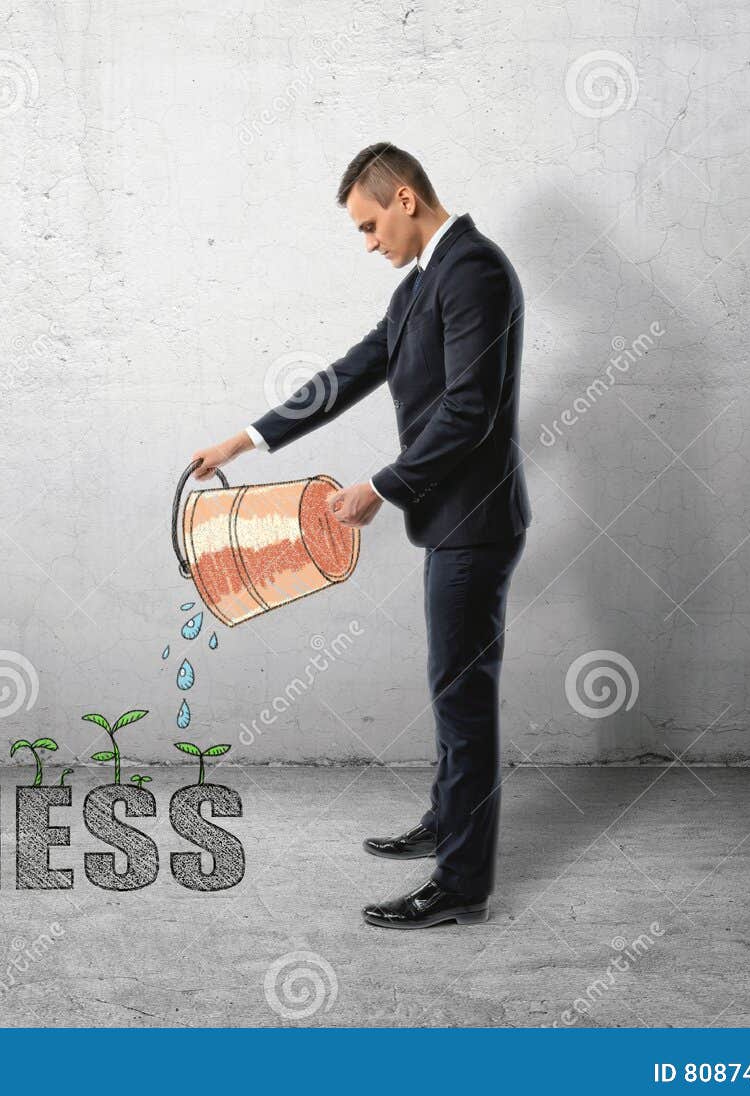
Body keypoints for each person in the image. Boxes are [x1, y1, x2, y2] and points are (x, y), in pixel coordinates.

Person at [188, 142, 531, 929]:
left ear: (405, 198)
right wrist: (246, 439)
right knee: (450, 682)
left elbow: (468, 413)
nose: (370, 243)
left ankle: (462, 883)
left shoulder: (473, 269)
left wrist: (380, 488)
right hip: (451, 520)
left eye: (371, 225)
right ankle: (449, 821)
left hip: (476, 522)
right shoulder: (421, 283)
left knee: (462, 695)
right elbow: (350, 373)